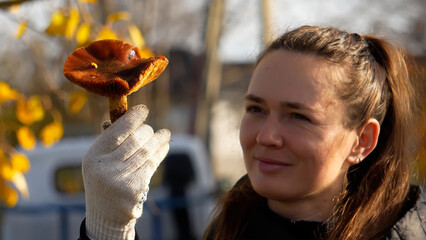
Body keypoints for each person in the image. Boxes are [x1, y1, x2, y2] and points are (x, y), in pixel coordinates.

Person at [79, 25, 425, 240]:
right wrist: (109, 229)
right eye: (256, 109)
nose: (266, 136)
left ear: (362, 141)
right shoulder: (230, 227)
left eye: (298, 116)